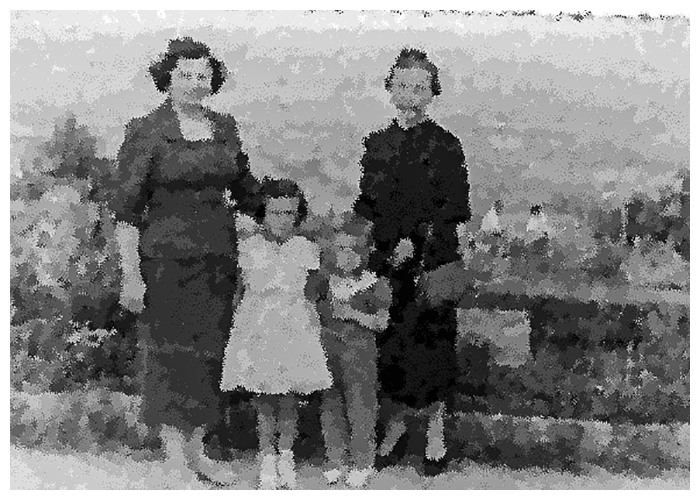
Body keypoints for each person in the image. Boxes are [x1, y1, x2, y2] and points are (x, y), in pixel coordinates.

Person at [110, 37, 263, 482]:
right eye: (186, 76)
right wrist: (130, 275)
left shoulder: (225, 127)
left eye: (203, 76)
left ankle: (198, 451)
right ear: (168, 79)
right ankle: (175, 459)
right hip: (164, 261)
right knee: (169, 354)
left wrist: (288, 217)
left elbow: (248, 190)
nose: (196, 84)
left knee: (209, 353)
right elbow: (124, 209)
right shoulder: (146, 130)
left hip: (217, 258)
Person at [354, 48, 472, 475]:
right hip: (387, 261)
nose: (410, 92)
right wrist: (366, 246)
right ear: (390, 88)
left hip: (432, 260)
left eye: (420, 86)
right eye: (402, 84)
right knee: (392, 345)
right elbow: (367, 203)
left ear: (432, 93)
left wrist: (416, 244)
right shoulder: (377, 143)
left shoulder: (445, 144)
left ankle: (436, 427)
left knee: (433, 344)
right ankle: (399, 423)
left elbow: (454, 208)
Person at [220, 179, 333, 490]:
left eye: (289, 213)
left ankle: (286, 454)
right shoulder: (248, 247)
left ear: (298, 214)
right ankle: (266, 456)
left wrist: (314, 326)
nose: (283, 219)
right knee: (264, 396)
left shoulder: (306, 248)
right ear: (263, 212)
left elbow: (313, 293)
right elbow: (238, 293)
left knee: (288, 397)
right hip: (258, 324)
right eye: (276, 212)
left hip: (294, 324)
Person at [308, 212, 391, 487]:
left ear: (366, 251)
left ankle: (363, 461)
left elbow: (381, 322)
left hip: (360, 357)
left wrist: (353, 314)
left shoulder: (374, 284)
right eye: (342, 248)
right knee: (330, 406)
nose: (347, 256)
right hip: (329, 353)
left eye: (354, 250)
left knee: (361, 408)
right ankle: (335, 459)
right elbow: (311, 309)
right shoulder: (326, 282)